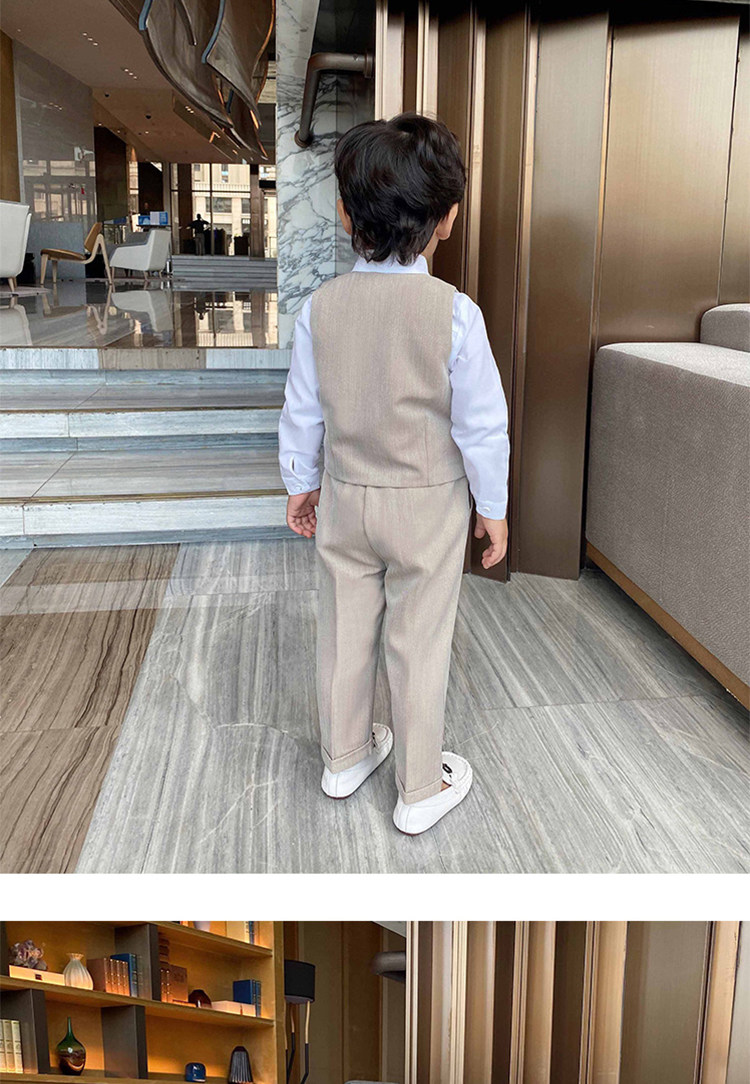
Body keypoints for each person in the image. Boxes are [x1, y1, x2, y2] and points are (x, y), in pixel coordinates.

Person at [278, 113, 510, 835]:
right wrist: (492, 506)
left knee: (344, 629)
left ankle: (343, 758)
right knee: (419, 640)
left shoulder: (321, 309)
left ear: (345, 212)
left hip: (347, 497)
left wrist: (300, 484)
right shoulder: (457, 316)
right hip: (427, 507)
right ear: (448, 219)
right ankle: (418, 787)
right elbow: (481, 426)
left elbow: (302, 409)